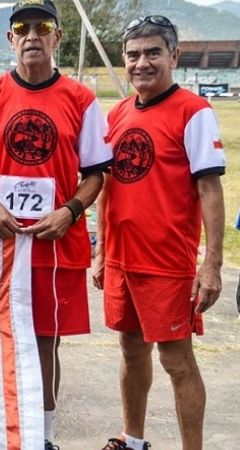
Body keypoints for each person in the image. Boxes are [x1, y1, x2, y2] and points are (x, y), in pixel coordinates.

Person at [0, 1, 112, 448]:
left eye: (43, 28)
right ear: (10, 39)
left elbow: (97, 172)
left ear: (57, 38)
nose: (32, 36)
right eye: (22, 28)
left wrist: (71, 211)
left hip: (54, 246)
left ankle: (42, 437)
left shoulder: (81, 100)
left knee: (46, 344)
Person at [93, 15, 226, 450]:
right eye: (133, 55)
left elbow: (209, 188)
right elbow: (108, 185)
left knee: (176, 359)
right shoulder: (118, 112)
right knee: (131, 350)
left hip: (166, 262)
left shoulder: (193, 112)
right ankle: (132, 440)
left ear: (174, 55)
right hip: (121, 259)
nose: (142, 63)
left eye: (153, 53)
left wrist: (211, 264)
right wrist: (100, 253)